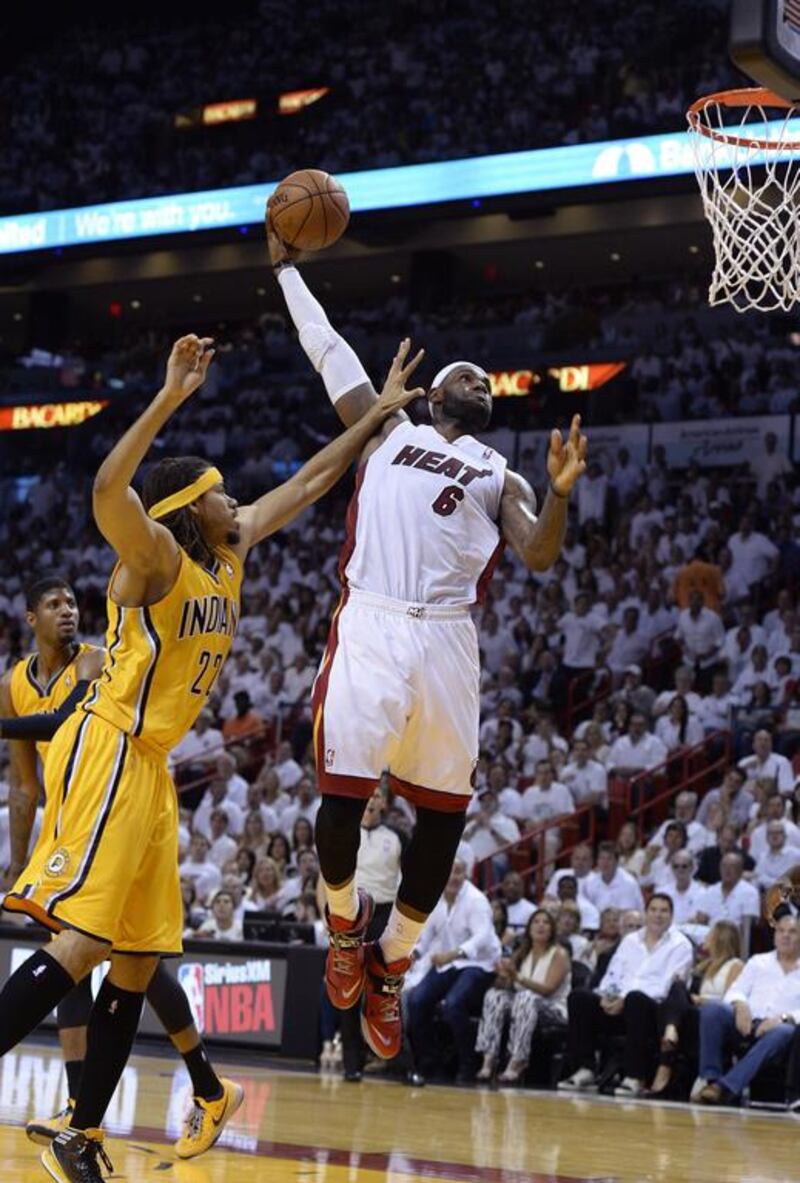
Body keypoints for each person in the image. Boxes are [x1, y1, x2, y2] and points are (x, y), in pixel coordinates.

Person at [0, 332, 422, 1182]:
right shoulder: (153, 557)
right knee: (82, 946)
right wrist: (168, 398)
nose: (239, 500)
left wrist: (374, 417)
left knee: (139, 956)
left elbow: (309, 482)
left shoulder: (228, 554)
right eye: (223, 494)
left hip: (150, 769)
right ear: (193, 507)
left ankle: (83, 1134)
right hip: (109, 745)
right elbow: (107, 488)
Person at [269, 223, 588, 1060]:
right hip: (373, 621)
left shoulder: (499, 473)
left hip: (450, 640)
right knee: (340, 804)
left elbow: (541, 551)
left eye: (488, 380)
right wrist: (287, 274)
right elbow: (329, 351)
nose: (479, 380)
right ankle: (345, 926)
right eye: (465, 374)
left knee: (443, 821)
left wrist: (556, 494)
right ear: (431, 392)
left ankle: (390, 966)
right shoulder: (386, 430)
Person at [0, 579, 238, 1160]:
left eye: (72, 603)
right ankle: (82, 1117)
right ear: (30, 618)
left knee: (137, 964)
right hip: (73, 818)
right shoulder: (12, 684)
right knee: (100, 960)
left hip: (115, 803)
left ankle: (200, 1089)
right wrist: (19, 858)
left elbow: (60, 721)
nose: (68, 612)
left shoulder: (97, 661)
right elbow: (24, 784)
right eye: (54, 605)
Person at [558, 894, 693, 1096]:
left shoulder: (680, 945)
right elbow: (613, 974)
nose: (658, 915)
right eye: (654, 910)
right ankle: (585, 1069)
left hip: (652, 1011)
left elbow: (668, 988)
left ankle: (634, 1076)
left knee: (635, 999)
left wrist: (624, 998)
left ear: (671, 916)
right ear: (646, 913)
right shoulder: (630, 940)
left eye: (664, 911)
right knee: (580, 997)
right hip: (619, 1005)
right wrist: (607, 996)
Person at [406, 858, 501, 1083]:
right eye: (448, 872)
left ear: (465, 875)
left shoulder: (477, 900)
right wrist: (413, 955)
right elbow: (426, 936)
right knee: (416, 1000)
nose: (453, 878)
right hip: (449, 963)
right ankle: (429, 1062)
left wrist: (454, 953)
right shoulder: (434, 899)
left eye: (458, 872)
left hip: (480, 964)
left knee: (454, 1004)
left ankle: (468, 1063)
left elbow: (483, 937)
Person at [695, 915, 800, 1105]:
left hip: (780, 1030)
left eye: (792, 932)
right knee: (713, 1009)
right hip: (746, 1022)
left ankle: (725, 1087)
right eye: (781, 931)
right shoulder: (758, 962)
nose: (785, 936)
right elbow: (736, 990)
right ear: (774, 935)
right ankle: (710, 1078)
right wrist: (740, 1005)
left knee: (783, 1031)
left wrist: (783, 1018)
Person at [475, 909, 571, 1083]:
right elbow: (508, 985)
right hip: (522, 1004)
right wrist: (502, 976)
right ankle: (489, 1059)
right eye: (536, 921)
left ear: (552, 929)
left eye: (546, 922)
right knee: (494, 995)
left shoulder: (559, 954)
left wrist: (517, 976)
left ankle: (518, 1060)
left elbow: (547, 989)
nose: (540, 925)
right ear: (529, 928)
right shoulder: (522, 951)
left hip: (554, 1008)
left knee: (525, 998)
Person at [650, 920, 743, 1098]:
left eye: (709, 935)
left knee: (678, 993)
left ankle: (668, 1049)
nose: (705, 939)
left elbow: (731, 1000)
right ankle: (670, 1034)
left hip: (715, 1017)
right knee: (676, 988)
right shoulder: (704, 965)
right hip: (695, 1013)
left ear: (720, 939)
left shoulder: (735, 965)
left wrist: (700, 999)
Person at [583, 841, 645, 914]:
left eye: (609, 858)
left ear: (616, 862)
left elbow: (630, 913)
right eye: (602, 858)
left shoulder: (629, 882)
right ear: (597, 861)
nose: (605, 862)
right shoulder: (590, 882)